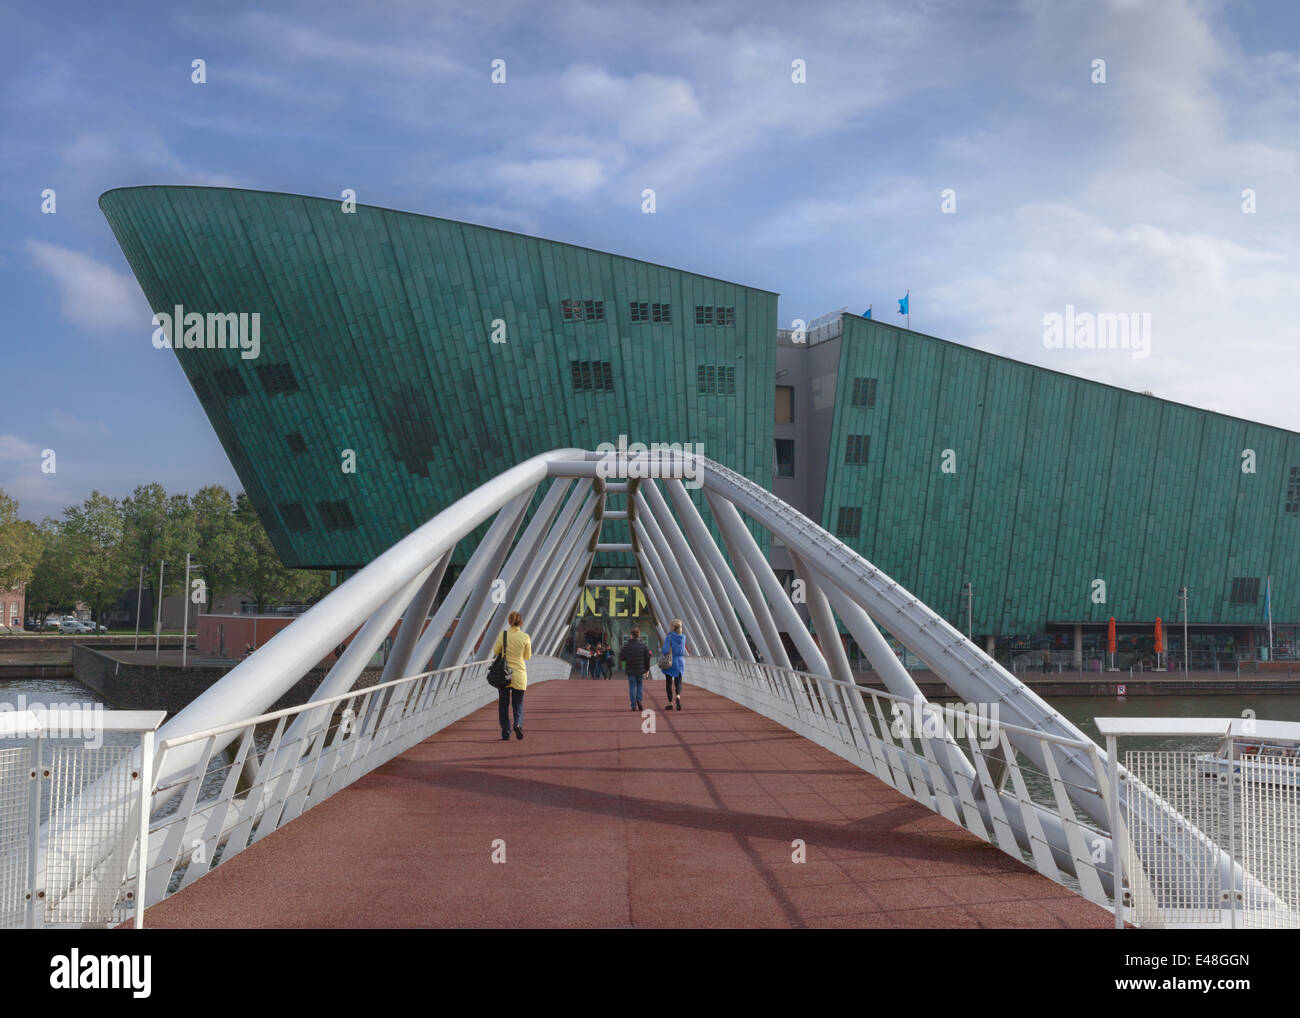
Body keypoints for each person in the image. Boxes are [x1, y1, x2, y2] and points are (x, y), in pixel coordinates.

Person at [490, 610, 532, 740]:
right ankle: (518, 723)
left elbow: (496, 651)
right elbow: (527, 656)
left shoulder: (503, 635)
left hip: (504, 675)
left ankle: (506, 732)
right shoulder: (525, 637)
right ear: (520, 622)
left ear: (509, 621)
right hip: (519, 675)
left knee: (503, 705)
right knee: (518, 703)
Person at [619, 627, 650, 710]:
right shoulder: (643, 646)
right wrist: (647, 669)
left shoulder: (626, 646)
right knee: (640, 685)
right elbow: (647, 658)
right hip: (640, 669)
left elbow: (621, 657)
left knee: (632, 686)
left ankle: (633, 705)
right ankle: (639, 700)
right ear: (639, 635)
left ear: (631, 635)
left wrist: (627, 659)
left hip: (630, 669)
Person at [661, 618, 686, 710]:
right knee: (678, 682)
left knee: (668, 683)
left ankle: (670, 703)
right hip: (680, 661)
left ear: (672, 627)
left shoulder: (669, 637)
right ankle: (678, 696)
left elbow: (665, 650)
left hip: (671, 662)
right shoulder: (683, 637)